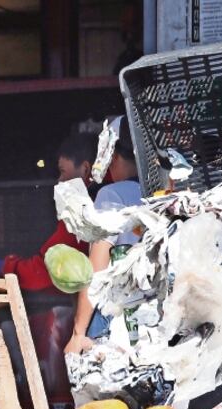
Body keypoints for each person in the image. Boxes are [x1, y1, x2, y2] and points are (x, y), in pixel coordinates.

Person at [64, 116, 145, 355]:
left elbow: (95, 271)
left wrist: (78, 333)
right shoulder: (168, 192)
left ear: (115, 157)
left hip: (120, 324)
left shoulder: (112, 195)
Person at [0, 133, 95, 291]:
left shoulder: (82, 208)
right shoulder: (116, 193)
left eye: (63, 171)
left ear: (85, 169)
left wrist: (5, 266)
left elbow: (43, 269)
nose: (59, 180)